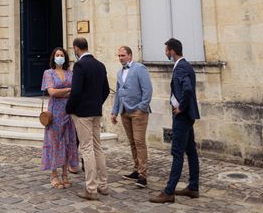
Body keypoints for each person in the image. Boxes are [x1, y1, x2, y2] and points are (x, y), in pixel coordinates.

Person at [149, 38, 201, 203]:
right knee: (191, 151)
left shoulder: (181, 68)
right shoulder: (184, 66)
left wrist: (181, 108)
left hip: (182, 117)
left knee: (177, 153)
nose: (165, 52)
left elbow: (187, 89)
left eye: (166, 50)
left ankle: (169, 191)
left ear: (172, 50)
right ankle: (193, 187)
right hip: (187, 116)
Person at [66, 37, 110, 201]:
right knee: (97, 147)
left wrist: (69, 109)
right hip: (96, 112)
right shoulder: (100, 65)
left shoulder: (80, 65)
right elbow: (105, 90)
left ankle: (91, 188)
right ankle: (103, 186)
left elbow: (76, 91)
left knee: (87, 149)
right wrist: (96, 103)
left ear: (76, 48)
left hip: (83, 113)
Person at [111, 45, 153, 188]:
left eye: (122, 55)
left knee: (139, 142)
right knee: (132, 142)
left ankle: (143, 175)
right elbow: (118, 92)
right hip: (124, 112)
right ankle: (136, 169)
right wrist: (114, 111)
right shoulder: (119, 73)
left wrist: (142, 108)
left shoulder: (139, 68)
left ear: (130, 55)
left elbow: (147, 90)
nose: (120, 58)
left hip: (138, 112)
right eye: (119, 56)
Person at [41, 47, 79, 189]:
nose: (59, 57)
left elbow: (75, 92)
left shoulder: (71, 73)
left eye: (61, 55)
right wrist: (68, 90)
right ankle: (54, 174)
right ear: (53, 57)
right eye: (57, 55)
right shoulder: (48, 73)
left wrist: (62, 92)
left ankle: (65, 173)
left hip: (68, 112)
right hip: (54, 114)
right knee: (54, 142)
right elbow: (51, 92)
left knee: (68, 142)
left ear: (65, 57)